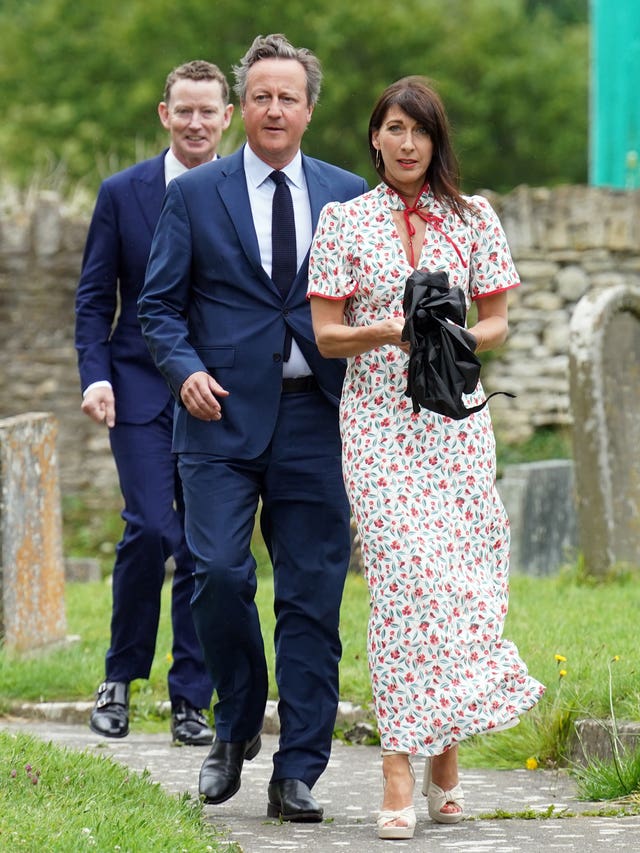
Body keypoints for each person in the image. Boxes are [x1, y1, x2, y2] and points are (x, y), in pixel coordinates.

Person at [308, 76, 545, 840]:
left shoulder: (474, 217)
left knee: (461, 587)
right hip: (379, 427)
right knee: (404, 583)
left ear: (437, 142)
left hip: (454, 426)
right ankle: (399, 766)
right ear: (374, 137)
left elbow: (501, 318)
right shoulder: (343, 221)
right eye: (395, 128)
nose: (407, 143)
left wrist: (449, 336)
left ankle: (446, 748)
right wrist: (391, 331)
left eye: (421, 131)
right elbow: (326, 335)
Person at [138, 34, 368, 822]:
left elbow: (367, 303)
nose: (276, 109)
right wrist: (185, 369)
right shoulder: (197, 194)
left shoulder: (346, 195)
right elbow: (157, 307)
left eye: (289, 97)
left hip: (318, 418)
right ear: (242, 109)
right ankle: (235, 724)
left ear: (309, 108)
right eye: (262, 96)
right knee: (219, 573)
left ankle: (298, 769)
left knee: (311, 598)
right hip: (218, 418)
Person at [75, 60, 234, 745]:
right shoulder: (121, 192)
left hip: (218, 392)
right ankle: (118, 675)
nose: (196, 123)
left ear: (227, 116)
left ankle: (190, 699)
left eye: (208, 111)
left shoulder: (243, 191)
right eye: (184, 111)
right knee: (149, 527)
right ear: (164, 114)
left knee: (204, 545)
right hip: (138, 385)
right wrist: (95, 374)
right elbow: (92, 299)